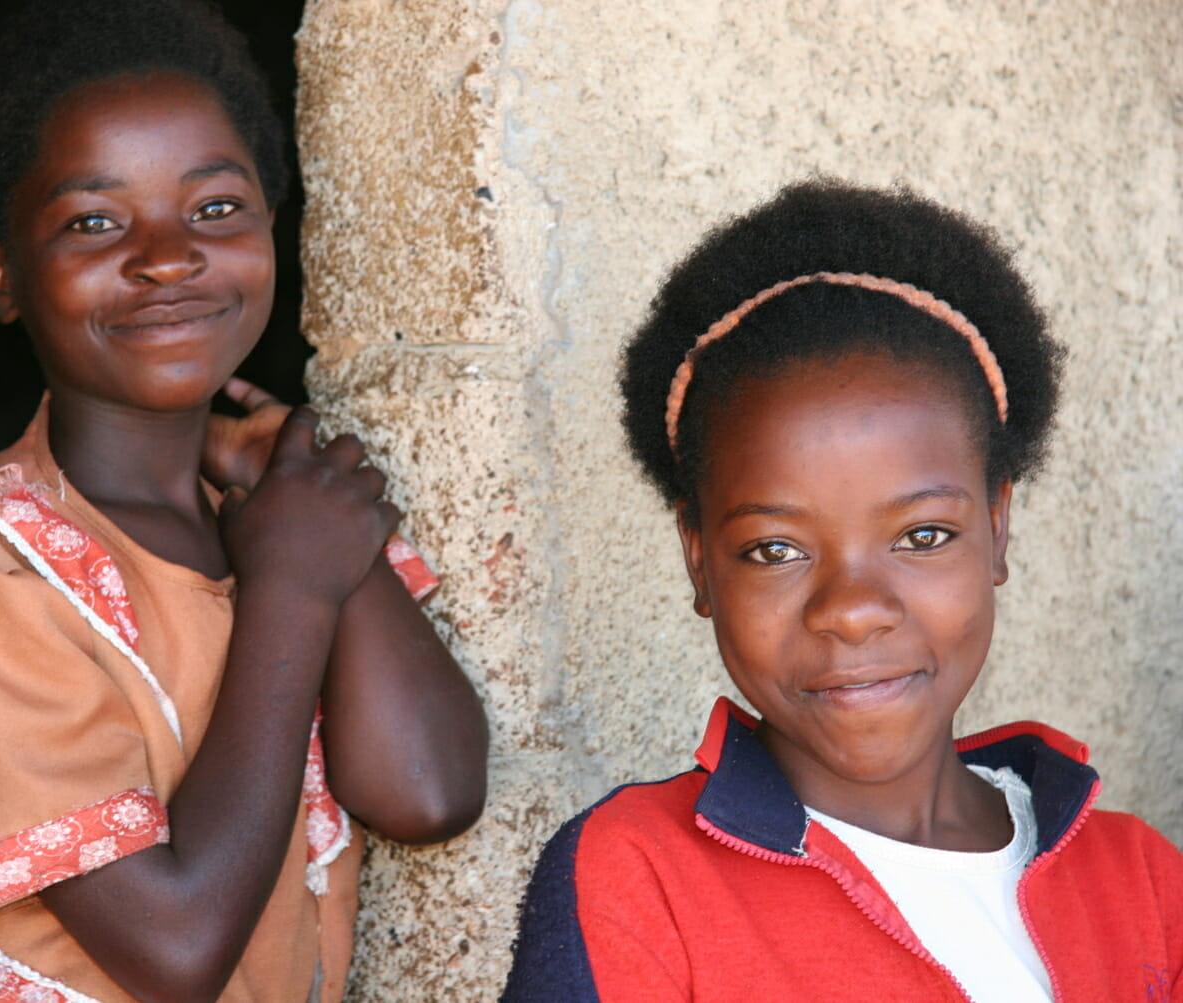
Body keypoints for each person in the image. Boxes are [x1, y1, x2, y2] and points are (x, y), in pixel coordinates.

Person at [0, 2, 489, 1000]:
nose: (168, 255)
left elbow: (427, 792)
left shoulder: (284, 516)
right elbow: (175, 946)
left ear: (274, 226)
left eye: (217, 207)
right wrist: (292, 588)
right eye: (94, 222)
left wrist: (310, 523)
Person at [502, 180, 1183, 1001]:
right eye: (776, 549)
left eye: (922, 535)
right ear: (699, 559)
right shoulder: (640, 881)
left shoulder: (1144, 883)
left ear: (997, 526)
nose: (853, 610)